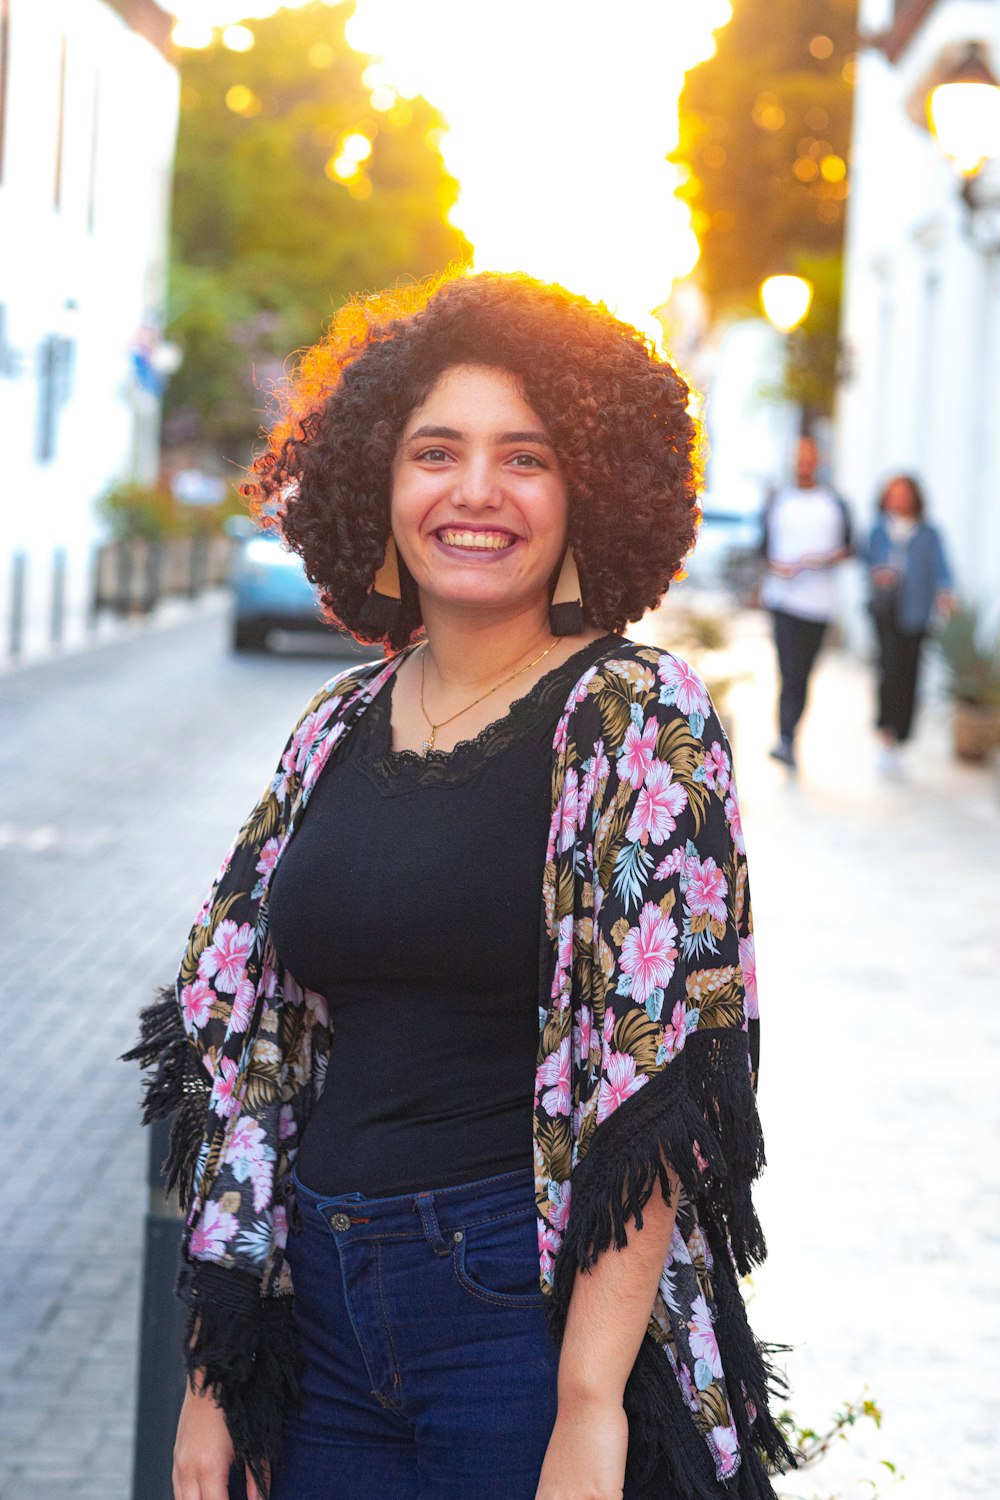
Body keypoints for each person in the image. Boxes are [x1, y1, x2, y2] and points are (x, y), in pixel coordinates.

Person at [127, 273, 793, 1500]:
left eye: (523, 457)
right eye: (437, 452)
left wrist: (590, 1404)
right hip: (316, 1317)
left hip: (517, 1315)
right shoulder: (335, 725)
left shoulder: (636, 715)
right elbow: (250, 1051)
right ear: (379, 485)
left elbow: (654, 1070)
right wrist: (217, 1383)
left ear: (584, 489)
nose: (474, 491)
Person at [759, 436, 853, 769]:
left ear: (819, 461)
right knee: (789, 671)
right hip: (783, 600)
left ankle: (791, 734)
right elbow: (763, 548)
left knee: (803, 675)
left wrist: (819, 560)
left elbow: (849, 548)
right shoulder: (779, 500)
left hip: (819, 604)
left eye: (810, 457)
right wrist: (778, 567)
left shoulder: (835, 503)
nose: (804, 462)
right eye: (799, 457)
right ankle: (784, 737)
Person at [865, 474, 953, 776]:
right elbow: (868, 561)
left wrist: (944, 593)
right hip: (885, 610)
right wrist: (879, 573)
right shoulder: (879, 529)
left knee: (909, 674)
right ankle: (886, 734)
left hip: (916, 612)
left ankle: (900, 736)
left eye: (903, 493)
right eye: (893, 493)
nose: (897, 499)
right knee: (888, 670)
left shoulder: (928, 533)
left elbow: (942, 569)